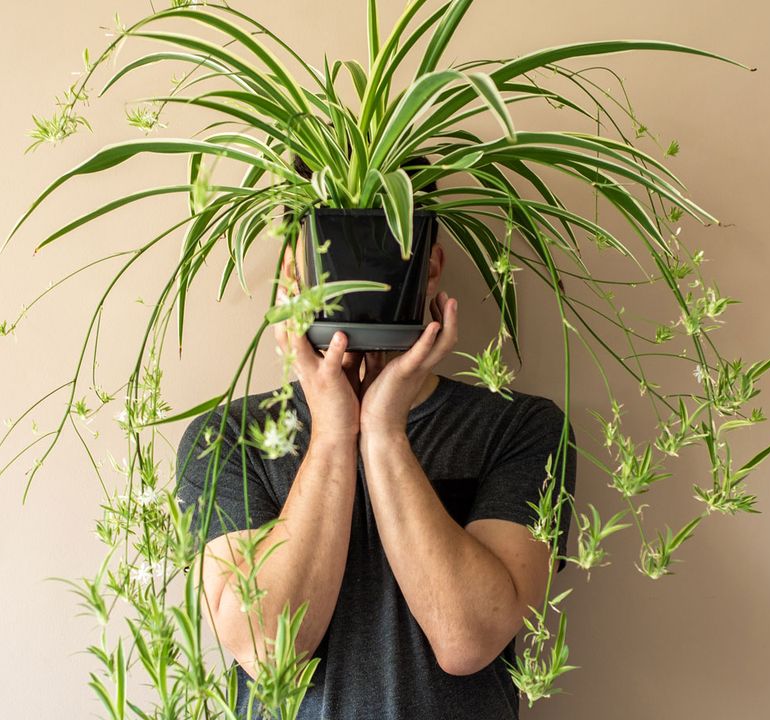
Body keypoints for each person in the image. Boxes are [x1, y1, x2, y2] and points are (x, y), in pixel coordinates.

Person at [175, 214, 576, 719]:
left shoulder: (520, 428)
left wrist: (386, 434)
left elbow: (467, 641)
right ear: (291, 272)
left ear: (429, 266)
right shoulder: (228, 439)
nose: (355, 273)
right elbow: (268, 652)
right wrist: (332, 436)